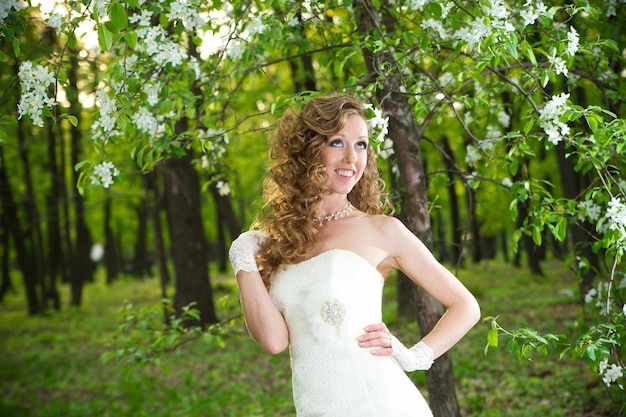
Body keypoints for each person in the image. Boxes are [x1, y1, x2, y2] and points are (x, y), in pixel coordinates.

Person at [229, 94, 480, 417]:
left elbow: (466, 306)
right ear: (308, 151)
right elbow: (274, 341)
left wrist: (414, 356)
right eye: (337, 142)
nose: (352, 158)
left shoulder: (381, 230)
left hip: (379, 404)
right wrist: (243, 256)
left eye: (361, 145)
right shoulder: (282, 243)